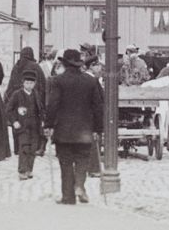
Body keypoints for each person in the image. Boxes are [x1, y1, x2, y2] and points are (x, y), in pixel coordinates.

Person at [44, 49, 103, 205]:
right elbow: (98, 107)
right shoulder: (90, 81)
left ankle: (68, 197)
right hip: (85, 130)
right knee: (83, 159)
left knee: (66, 162)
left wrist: (48, 125)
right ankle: (79, 185)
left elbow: (52, 105)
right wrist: (98, 129)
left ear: (64, 63)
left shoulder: (58, 81)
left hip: (63, 130)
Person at [6, 69, 45, 180]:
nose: (29, 85)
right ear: (23, 83)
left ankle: (29, 169)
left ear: (35, 84)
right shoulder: (17, 94)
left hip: (35, 126)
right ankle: (22, 170)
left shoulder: (36, 94)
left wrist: (42, 120)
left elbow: (40, 109)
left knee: (33, 148)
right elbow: (9, 109)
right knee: (24, 147)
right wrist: (14, 121)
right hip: (22, 126)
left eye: (31, 83)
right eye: (27, 83)